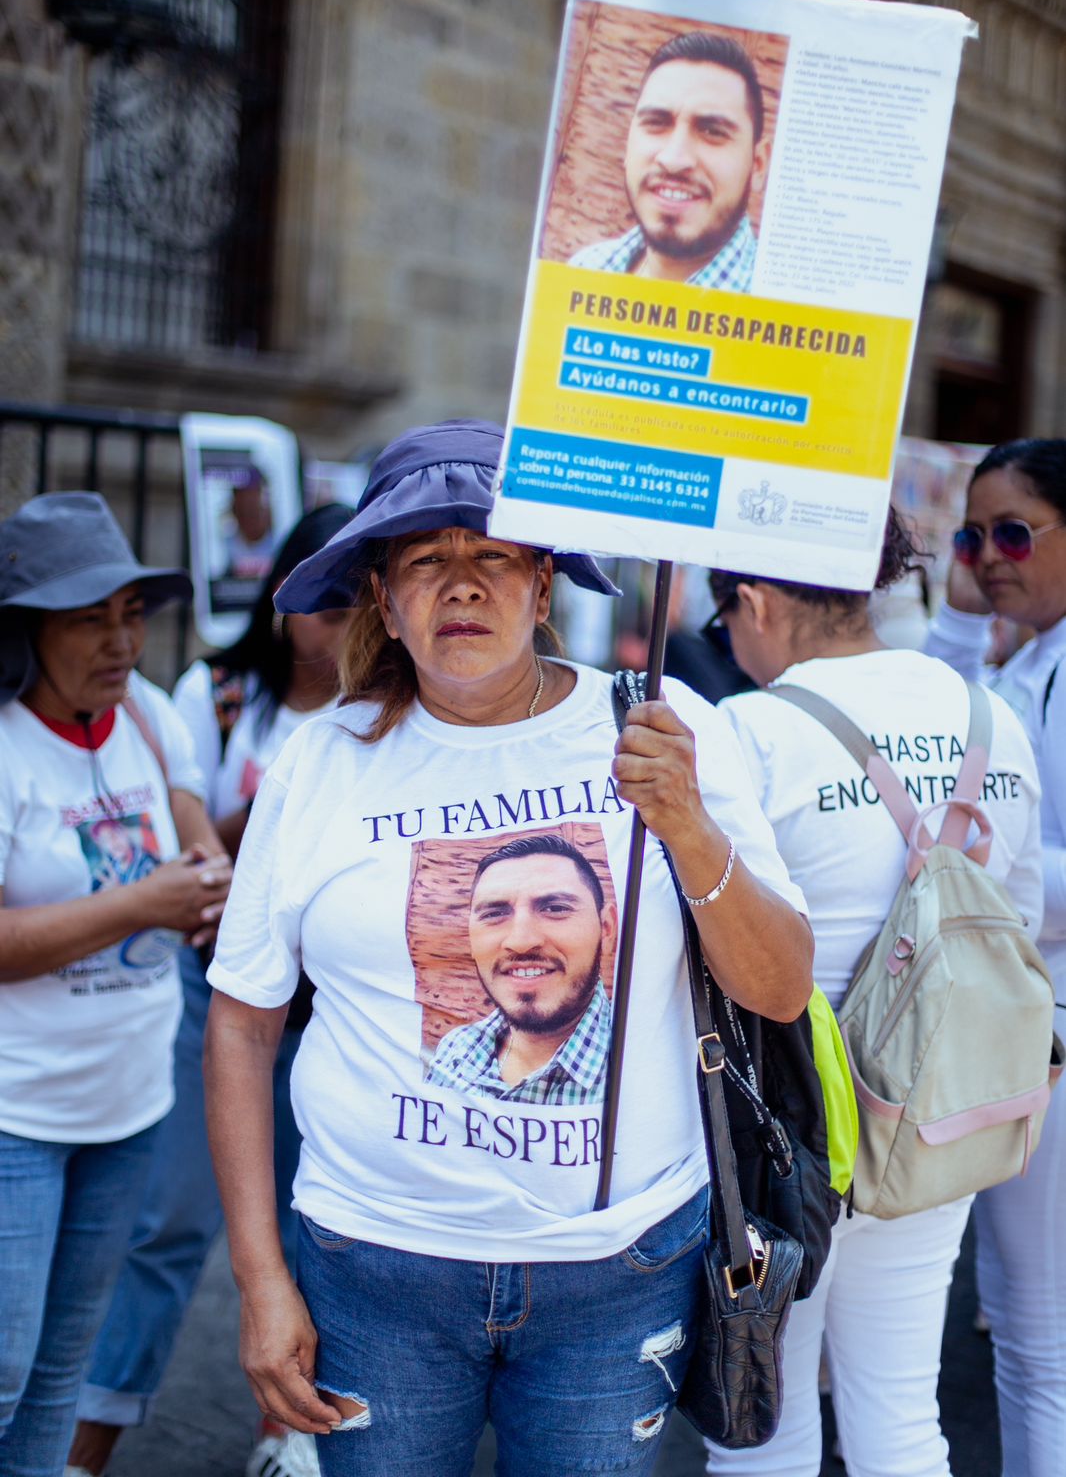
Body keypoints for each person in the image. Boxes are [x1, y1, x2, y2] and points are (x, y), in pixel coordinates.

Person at [202, 416, 812, 1477]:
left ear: (543, 586)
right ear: (384, 602)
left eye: (493, 555)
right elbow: (243, 1024)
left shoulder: (665, 731)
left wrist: (689, 827)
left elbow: (782, 983)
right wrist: (261, 1280)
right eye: (426, 561)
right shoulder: (321, 760)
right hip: (373, 1269)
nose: (463, 583)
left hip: (615, 1271)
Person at [700, 508, 1043, 1477]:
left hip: (787, 1126)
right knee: (898, 1409)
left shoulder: (750, 729)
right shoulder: (988, 714)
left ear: (755, 601)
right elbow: (1009, 917)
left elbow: (715, 939)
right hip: (939, 1109)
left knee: (761, 1413)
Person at [68, 505, 356, 1477]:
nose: (343, 613)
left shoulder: (397, 708)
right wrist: (281, 803)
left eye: (360, 592)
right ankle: (84, 1445)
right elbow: (183, 844)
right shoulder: (220, 693)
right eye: (325, 592)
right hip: (224, 989)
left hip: (339, 1010)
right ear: (283, 593)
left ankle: (286, 1438)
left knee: (316, 1228)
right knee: (172, 1223)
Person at [0, 491, 231, 1477]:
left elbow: (198, 849)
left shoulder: (143, 714)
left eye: (131, 613)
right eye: (88, 618)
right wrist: (147, 902)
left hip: (129, 1104)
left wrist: (208, 884)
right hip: (17, 1114)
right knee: (4, 1369)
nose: (119, 640)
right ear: (26, 631)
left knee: (61, 1369)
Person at [924, 438, 1066, 1477]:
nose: (988, 554)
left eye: (1012, 531)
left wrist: (983, 872)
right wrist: (964, 611)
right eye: (971, 536)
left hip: (1044, 1017)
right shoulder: (1026, 656)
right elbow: (928, 724)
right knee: (1019, 1318)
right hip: (1017, 1016)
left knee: (1037, 1328)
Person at [568, 31, 769, 292]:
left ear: (758, 165)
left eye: (712, 132)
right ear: (628, 145)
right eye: (656, 123)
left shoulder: (782, 305)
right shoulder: (586, 270)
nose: (674, 160)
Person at [427, 832, 617, 1104]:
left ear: (607, 930)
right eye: (494, 914)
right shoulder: (456, 1052)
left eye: (555, 908)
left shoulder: (643, 1062)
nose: (521, 942)